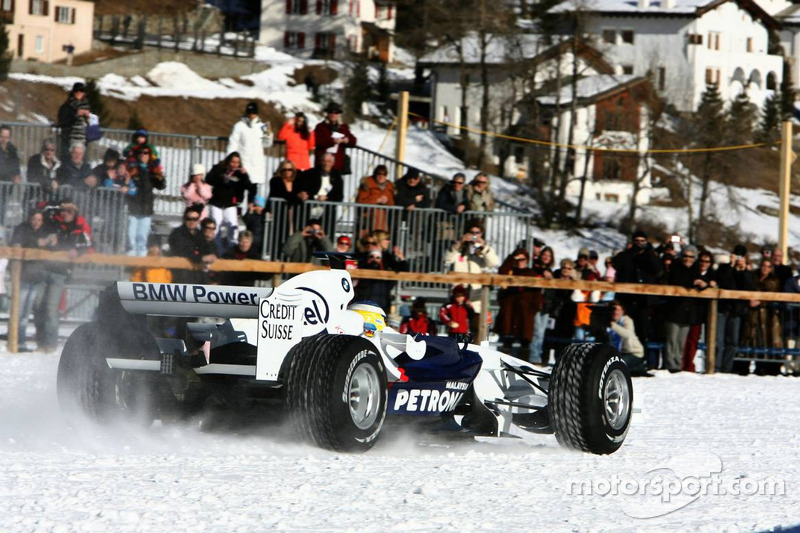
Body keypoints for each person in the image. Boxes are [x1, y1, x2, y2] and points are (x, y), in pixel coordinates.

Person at [36, 201, 93, 352]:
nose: (65, 214)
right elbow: (42, 208)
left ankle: (49, 344)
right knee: (37, 306)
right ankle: (40, 341)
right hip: (44, 269)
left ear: (75, 213)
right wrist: (45, 241)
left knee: (51, 309)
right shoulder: (53, 224)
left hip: (60, 272)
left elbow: (89, 246)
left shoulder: (79, 230)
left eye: (69, 211)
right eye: (63, 211)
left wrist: (77, 252)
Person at [612, 230, 663, 367]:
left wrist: (648, 252)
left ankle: (641, 361)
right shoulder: (626, 256)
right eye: (637, 242)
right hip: (627, 300)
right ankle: (622, 359)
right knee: (625, 329)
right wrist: (631, 252)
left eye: (642, 242)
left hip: (644, 301)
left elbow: (658, 269)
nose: (639, 244)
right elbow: (616, 263)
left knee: (642, 331)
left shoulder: (650, 256)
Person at [444, 221, 499, 332]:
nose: (474, 235)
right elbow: (447, 259)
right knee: (458, 329)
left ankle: (476, 348)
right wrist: (459, 243)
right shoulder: (459, 248)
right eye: (471, 232)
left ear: (481, 234)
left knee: (477, 328)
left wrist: (483, 247)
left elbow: (494, 262)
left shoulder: (485, 249)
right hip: (459, 294)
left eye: (477, 233)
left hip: (476, 295)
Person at [9, 211, 48, 350]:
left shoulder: (44, 232)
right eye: (34, 219)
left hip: (36, 277)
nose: (36, 222)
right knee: (18, 310)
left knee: (26, 313)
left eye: (39, 219)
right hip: (23, 275)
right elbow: (17, 243)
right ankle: (15, 340)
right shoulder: (22, 229)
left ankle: (21, 340)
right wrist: (36, 243)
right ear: (30, 219)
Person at [715, 245, 755, 373]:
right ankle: (715, 366)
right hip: (723, 309)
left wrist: (743, 271)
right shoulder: (724, 268)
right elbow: (724, 282)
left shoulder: (747, 272)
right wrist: (731, 266)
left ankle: (726, 368)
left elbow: (750, 288)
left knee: (732, 341)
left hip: (737, 310)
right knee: (718, 340)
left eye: (741, 256)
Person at [494, 248, 541, 358]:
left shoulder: (531, 274)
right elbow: (501, 272)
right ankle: (503, 362)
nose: (520, 262)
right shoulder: (510, 271)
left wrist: (533, 309)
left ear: (527, 260)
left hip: (525, 312)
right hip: (510, 310)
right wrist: (512, 258)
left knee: (524, 340)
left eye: (522, 259)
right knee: (507, 339)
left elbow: (537, 294)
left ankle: (523, 364)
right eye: (518, 259)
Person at [205, 151, 257, 249]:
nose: (235, 165)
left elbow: (250, 186)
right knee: (216, 226)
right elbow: (209, 179)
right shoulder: (219, 168)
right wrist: (221, 179)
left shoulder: (240, 174)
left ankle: (231, 249)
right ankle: (217, 249)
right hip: (217, 202)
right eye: (233, 162)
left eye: (237, 163)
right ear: (228, 161)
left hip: (231, 204)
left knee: (233, 227)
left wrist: (245, 175)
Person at [662, 245, 699, 372]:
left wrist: (701, 283)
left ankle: (678, 365)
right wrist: (694, 282)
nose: (688, 259)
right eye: (685, 256)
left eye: (691, 257)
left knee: (681, 342)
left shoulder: (696, 269)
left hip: (687, 311)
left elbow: (702, 281)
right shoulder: (675, 267)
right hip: (674, 310)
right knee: (672, 340)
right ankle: (670, 365)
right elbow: (678, 280)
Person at [745, 258, 783, 375]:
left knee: (768, 340)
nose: (765, 268)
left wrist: (760, 302)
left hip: (768, 315)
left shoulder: (774, 280)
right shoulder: (754, 277)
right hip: (754, 314)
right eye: (763, 266)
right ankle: (758, 364)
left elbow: (773, 295)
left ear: (771, 268)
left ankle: (768, 366)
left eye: (768, 266)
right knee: (755, 340)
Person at [126, 146, 166, 256]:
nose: (143, 155)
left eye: (146, 153)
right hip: (133, 207)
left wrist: (159, 176)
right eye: (141, 153)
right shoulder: (133, 168)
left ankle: (141, 260)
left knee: (142, 237)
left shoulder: (152, 170)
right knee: (131, 237)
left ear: (149, 156)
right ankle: (130, 261)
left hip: (146, 208)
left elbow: (161, 186)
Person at [683, 249, 716, 372]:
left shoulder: (712, 274)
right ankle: (683, 364)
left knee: (694, 340)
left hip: (701, 311)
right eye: (702, 261)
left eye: (707, 261)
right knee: (685, 339)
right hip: (687, 310)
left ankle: (690, 364)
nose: (704, 263)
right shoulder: (693, 271)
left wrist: (707, 284)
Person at [296, 152, 344, 237]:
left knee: (326, 234)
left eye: (329, 161)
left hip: (327, 210)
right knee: (304, 231)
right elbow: (304, 190)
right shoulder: (310, 173)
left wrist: (327, 198)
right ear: (320, 162)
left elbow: (339, 196)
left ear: (333, 163)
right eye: (324, 161)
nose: (326, 163)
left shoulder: (337, 176)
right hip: (310, 207)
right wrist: (315, 197)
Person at [228, 101, 270, 194]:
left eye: (254, 113)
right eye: (249, 112)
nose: (251, 115)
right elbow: (233, 143)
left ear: (257, 113)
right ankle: (237, 208)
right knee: (238, 192)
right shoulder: (239, 126)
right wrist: (231, 160)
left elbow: (267, 144)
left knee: (253, 193)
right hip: (242, 164)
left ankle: (250, 208)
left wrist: (269, 135)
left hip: (256, 165)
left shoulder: (262, 126)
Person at [168, 207, 217, 284]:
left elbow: (207, 250)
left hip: (198, 279)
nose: (192, 221)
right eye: (189, 218)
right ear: (184, 218)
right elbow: (182, 252)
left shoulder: (199, 234)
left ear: (198, 220)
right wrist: (201, 258)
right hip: (181, 278)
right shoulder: (177, 234)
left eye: (195, 219)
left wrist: (210, 244)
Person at [607, 300, 649, 376]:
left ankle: (637, 367)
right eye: (613, 309)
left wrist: (612, 325)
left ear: (622, 311)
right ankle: (637, 368)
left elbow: (627, 334)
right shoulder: (610, 322)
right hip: (621, 353)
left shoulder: (626, 320)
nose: (615, 312)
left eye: (618, 310)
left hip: (634, 353)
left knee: (616, 366)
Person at [314, 101, 357, 174]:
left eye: (336, 112)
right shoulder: (320, 127)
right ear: (327, 113)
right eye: (331, 112)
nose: (333, 114)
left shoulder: (343, 127)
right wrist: (333, 141)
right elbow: (317, 141)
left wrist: (347, 140)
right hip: (322, 165)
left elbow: (353, 141)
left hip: (337, 166)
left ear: (339, 114)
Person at [530, 245, 555, 363]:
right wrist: (542, 272)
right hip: (536, 305)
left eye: (549, 256)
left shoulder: (551, 272)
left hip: (546, 307)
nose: (546, 257)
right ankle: (534, 358)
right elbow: (534, 272)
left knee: (541, 334)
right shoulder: (535, 267)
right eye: (544, 255)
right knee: (537, 332)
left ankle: (537, 356)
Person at [57, 82, 90, 161]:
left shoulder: (87, 106)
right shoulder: (67, 105)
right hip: (69, 140)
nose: (79, 93)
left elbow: (91, 124)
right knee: (68, 161)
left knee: (82, 162)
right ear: (73, 92)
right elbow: (63, 121)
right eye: (77, 91)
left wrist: (89, 117)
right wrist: (76, 114)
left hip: (83, 141)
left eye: (81, 91)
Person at [356, 164, 395, 231]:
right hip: (367, 218)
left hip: (383, 220)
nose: (381, 176)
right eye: (379, 173)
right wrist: (376, 200)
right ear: (375, 174)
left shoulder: (389, 186)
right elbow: (360, 201)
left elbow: (392, 203)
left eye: (384, 174)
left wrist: (387, 201)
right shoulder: (367, 183)